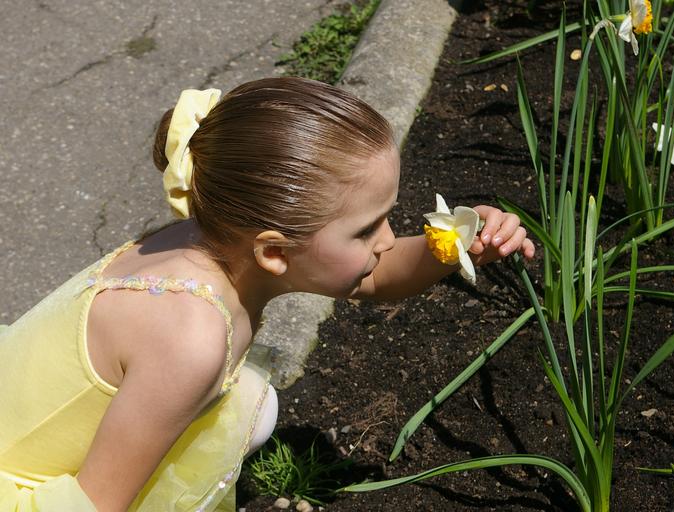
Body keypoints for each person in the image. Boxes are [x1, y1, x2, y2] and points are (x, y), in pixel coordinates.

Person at [0, 77, 535, 512]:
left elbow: (372, 275)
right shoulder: (188, 339)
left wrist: (452, 246)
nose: (389, 240)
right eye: (367, 229)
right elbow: (94, 504)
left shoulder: (213, 232)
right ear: (274, 251)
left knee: (255, 408)